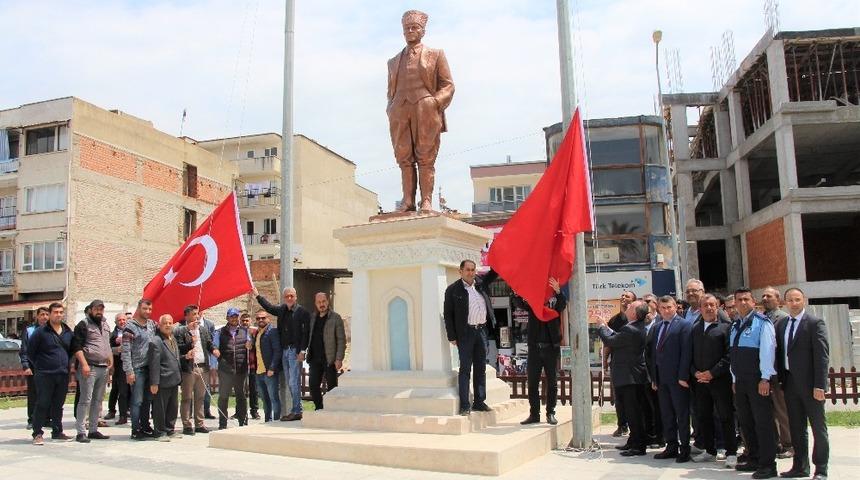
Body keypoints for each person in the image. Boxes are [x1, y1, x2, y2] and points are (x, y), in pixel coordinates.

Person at [386, 9, 455, 212]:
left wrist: (435, 102)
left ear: (422, 31)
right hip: (400, 109)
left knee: (425, 155)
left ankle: (426, 200)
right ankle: (407, 200)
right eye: (406, 28)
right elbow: (390, 90)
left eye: (414, 27)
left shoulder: (435, 54)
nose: (410, 31)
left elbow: (448, 85)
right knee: (403, 156)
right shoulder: (392, 62)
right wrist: (390, 107)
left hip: (425, 108)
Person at [776, 288, 829, 480]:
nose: (794, 303)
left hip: (811, 386)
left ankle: (821, 469)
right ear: (784, 302)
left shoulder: (814, 323)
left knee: (818, 429)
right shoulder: (782, 324)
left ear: (804, 301)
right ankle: (800, 466)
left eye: (797, 299)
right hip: (790, 384)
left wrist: (820, 385)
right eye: (790, 300)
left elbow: (822, 357)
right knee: (797, 429)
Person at [729, 287, 778, 479]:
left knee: (763, 423)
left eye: (746, 299)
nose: (742, 303)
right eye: (739, 299)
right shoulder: (735, 325)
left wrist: (765, 378)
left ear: (753, 302)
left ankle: (768, 464)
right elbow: (734, 355)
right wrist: (734, 379)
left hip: (758, 381)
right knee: (746, 422)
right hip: (740, 382)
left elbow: (767, 352)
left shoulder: (762, 323)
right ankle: (754, 458)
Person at [443, 260, 498, 415]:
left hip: (481, 332)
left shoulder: (481, 284)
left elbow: (494, 272)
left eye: (473, 269)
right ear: (460, 271)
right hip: (465, 333)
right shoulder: (453, 290)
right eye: (467, 270)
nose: (470, 272)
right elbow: (448, 315)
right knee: (465, 369)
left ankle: (479, 402)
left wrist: (501, 259)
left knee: (481, 368)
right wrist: (452, 336)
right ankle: (465, 405)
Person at [690, 294, 737, 467]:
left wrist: (712, 373)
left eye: (712, 305)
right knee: (704, 416)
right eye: (705, 305)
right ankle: (709, 450)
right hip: (700, 382)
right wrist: (695, 373)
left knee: (725, 416)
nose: (709, 308)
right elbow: (689, 355)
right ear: (700, 308)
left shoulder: (726, 328)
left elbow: (728, 356)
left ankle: (731, 452)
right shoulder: (695, 329)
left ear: (717, 307)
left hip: (720, 381)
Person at [598, 300, 649, 456]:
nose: (627, 308)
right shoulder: (632, 328)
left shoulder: (632, 329)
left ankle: (638, 446)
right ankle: (632, 441)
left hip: (630, 377)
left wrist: (600, 327)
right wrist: (607, 327)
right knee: (630, 411)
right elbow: (617, 336)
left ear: (635, 312)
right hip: (628, 376)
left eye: (631, 307)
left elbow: (611, 340)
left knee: (634, 412)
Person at [254, 286, 310, 421]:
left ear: (296, 297)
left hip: (295, 351)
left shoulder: (302, 312)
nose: (289, 298)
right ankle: (296, 409)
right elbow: (269, 307)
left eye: (292, 296)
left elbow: (306, 333)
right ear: (284, 298)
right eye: (287, 296)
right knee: (291, 382)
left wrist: (303, 351)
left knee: (293, 381)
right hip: (285, 351)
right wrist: (257, 295)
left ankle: (297, 410)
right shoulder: (282, 310)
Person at [648, 295, 693, 463]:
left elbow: (686, 352)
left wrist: (683, 376)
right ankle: (671, 445)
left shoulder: (684, 325)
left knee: (681, 414)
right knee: (667, 414)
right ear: (658, 309)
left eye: (669, 307)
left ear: (675, 307)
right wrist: (654, 377)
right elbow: (653, 354)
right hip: (661, 379)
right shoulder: (657, 326)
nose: (666, 311)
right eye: (663, 308)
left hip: (677, 379)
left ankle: (685, 448)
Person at [518, 277, 567, 426]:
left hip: (550, 348)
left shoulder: (554, 302)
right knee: (532, 382)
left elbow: (562, 304)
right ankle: (534, 413)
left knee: (552, 382)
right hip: (534, 348)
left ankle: (550, 412)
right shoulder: (533, 301)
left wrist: (558, 291)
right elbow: (519, 303)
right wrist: (517, 291)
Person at [27, 302, 74, 445]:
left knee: (58, 404)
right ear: (50, 314)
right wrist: (41, 367)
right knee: (42, 403)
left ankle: (57, 431)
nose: (58, 314)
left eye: (61, 312)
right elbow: (30, 352)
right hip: (45, 374)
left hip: (62, 374)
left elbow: (72, 350)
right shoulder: (41, 332)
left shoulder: (67, 331)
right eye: (55, 312)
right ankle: (37, 433)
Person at [71, 299, 113, 443]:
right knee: (85, 400)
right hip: (89, 366)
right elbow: (76, 346)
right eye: (96, 309)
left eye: (101, 309)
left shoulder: (106, 325)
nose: (99, 312)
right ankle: (81, 431)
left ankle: (93, 429)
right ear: (90, 310)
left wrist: (111, 363)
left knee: (98, 400)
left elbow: (107, 345)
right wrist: (83, 364)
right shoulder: (83, 324)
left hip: (103, 367)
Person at [174, 305, 219, 435]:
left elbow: (209, 343)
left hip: (203, 367)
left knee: (200, 397)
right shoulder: (181, 330)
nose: (196, 316)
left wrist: (214, 350)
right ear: (186, 316)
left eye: (197, 313)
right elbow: (178, 347)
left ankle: (200, 423)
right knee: (187, 397)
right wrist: (190, 343)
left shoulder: (203, 330)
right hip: (189, 368)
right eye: (193, 314)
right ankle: (187, 424)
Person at [762, 286, 793, 459]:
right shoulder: (762, 318)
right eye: (763, 296)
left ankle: (789, 444)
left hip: (777, 372)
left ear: (778, 300)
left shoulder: (783, 319)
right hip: (764, 372)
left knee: (782, 410)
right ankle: (775, 442)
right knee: (769, 411)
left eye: (769, 296)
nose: (765, 298)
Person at [122, 299, 157, 440]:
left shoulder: (152, 325)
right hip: (137, 369)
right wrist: (129, 371)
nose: (147, 312)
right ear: (138, 309)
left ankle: (145, 426)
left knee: (148, 400)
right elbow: (125, 350)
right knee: (137, 401)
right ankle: (135, 429)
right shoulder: (130, 327)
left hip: (150, 368)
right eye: (144, 309)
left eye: (149, 309)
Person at [604, 290, 637, 437]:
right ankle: (622, 425)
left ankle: (636, 427)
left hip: (635, 364)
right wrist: (605, 360)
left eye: (627, 296)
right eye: (622, 296)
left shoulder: (637, 319)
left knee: (634, 398)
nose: (624, 298)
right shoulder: (614, 320)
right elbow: (608, 342)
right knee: (619, 397)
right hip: (617, 363)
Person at [307, 293, 346, 411]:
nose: (321, 304)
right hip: (314, 358)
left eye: (323, 301)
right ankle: (319, 408)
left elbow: (341, 339)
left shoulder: (335, 318)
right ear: (315, 304)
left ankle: (333, 410)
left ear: (327, 302)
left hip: (330, 359)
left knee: (332, 387)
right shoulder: (313, 317)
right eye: (319, 302)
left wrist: (339, 358)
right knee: (313, 385)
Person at [148, 314, 182, 441]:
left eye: (170, 323)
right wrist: (154, 383)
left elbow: (174, 358)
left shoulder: (172, 338)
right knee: (160, 408)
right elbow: (154, 364)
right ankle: (159, 432)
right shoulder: (156, 341)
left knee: (172, 407)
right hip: (162, 380)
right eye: (165, 323)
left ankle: (169, 429)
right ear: (160, 324)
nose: (168, 325)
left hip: (173, 379)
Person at [217, 307, 251, 429]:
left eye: (236, 316)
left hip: (241, 369)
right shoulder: (220, 332)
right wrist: (217, 354)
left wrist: (249, 344)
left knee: (241, 396)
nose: (234, 318)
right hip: (225, 370)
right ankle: (222, 423)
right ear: (227, 318)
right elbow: (215, 347)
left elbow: (250, 344)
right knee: (223, 397)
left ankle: (242, 421)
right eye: (232, 316)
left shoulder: (244, 331)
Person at [20, 306, 50, 430]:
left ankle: (47, 419)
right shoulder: (30, 330)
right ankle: (32, 419)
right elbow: (24, 350)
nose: (44, 317)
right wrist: (26, 365)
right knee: (34, 394)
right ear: (37, 316)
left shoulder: (52, 330)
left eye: (47, 314)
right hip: (34, 367)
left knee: (48, 393)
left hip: (49, 368)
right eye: (42, 314)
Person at [641, 293, 663, 448]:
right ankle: (649, 434)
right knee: (646, 406)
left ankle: (661, 436)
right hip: (642, 371)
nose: (646, 304)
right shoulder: (640, 322)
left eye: (648, 301)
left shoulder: (661, 323)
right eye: (643, 302)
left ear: (656, 304)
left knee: (659, 406)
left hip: (657, 372)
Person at [252, 310, 282, 421]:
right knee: (265, 399)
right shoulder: (257, 333)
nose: (260, 320)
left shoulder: (272, 331)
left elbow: (277, 351)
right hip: (259, 371)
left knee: (273, 398)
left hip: (269, 371)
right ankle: (267, 420)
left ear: (268, 319)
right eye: (258, 318)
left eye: (263, 318)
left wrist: (272, 368)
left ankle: (277, 422)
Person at [106, 313, 130, 425]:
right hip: (118, 366)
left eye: (124, 320)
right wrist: (117, 349)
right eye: (119, 320)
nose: (122, 322)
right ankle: (119, 414)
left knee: (128, 391)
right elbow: (106, 349)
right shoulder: (112, 335)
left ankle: (127, 411)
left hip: (131, 365)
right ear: (116, 322)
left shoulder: (132, 331)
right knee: (119, 390)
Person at [241, 312, 260, 420]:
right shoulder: (238, 332)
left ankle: (254, 410)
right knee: (241, 389)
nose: (245, 323)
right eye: (243, 321)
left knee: (254, 389)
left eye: (247, 320)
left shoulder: (255, 332)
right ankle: (240, 411)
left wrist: (252, 340)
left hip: (253, 364)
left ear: (250, 321)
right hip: (241, 365)